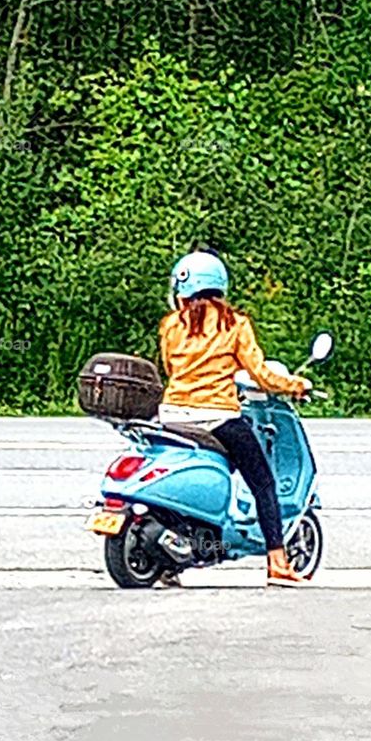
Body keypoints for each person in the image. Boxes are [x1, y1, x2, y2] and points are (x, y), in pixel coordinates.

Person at [159, 245, 311, 585]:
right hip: (216, 416)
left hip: (171, 415)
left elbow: (171, 367)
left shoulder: (171, 325)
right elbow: (260, 374)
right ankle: (277, 561)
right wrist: (295, 384)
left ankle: (170, 559)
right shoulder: (235, 324)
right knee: (263, 481)